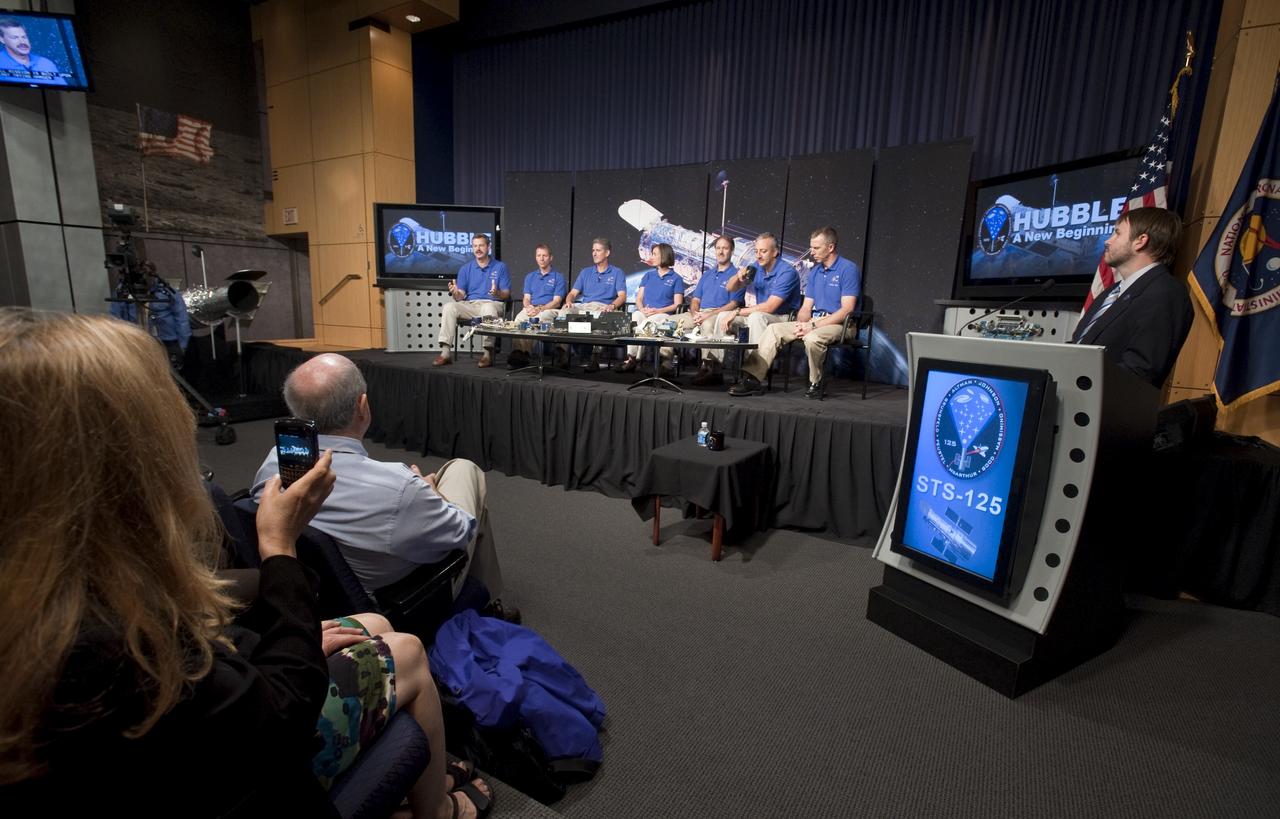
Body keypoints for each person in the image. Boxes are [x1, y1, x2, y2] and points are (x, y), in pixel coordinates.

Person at [0, 309, 492, 819]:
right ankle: (436, 809)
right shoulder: (107, 648)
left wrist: (278, 638)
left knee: (374, 624)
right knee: (406, 648)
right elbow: (281, 716)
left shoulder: (55, 592)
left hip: (218, 700)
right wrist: (279, 547)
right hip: (254, 765)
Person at [251, 353, 515, 621]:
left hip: (316, 598)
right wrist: (432, 492)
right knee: (464, 470)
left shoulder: (273, 467)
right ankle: (485, 602)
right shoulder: (399, 488)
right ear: (362, 407)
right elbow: (461, 533)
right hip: (397, 603)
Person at [729, 226, 861, 399]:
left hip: (841, 324)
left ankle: (816, 382)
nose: (811, 252)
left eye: (816, 248)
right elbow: (806, 307)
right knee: (773, 330)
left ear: (830, 247)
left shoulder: (848, 269)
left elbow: (847, 310)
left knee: (813, 337)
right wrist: (802, 324)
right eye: (811, 247)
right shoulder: (815, 272)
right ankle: (752, 379)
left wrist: (812, 326)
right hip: (814, 322)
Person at [1069, 206, 1193, 387]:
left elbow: (1141, 371)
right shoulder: (1110, 293)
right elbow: (1080, 346)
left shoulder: (1166, 293)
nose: (1108, 241)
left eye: (1117, 234)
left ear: (1140, 241)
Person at [677, 235, 746, 385]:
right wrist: (696, 314)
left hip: (719, 313)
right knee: (670, 321)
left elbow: (734, 304)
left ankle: (710, 369)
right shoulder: (707, 275)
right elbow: (695, 300)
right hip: (699, 313)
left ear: (732, 251)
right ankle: (664, 364)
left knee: (707, 324)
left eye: (725, 248)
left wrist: (707, 315)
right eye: (718, 248)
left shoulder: (736, 276)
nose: (721, 252)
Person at [435, 234, 510, 368]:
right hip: (472, 305)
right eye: (475, 246)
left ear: (489, 247)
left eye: (481, 245)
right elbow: (460, 296)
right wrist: (455, 292)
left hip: (493, 303)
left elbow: (506, 294)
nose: (478, 249)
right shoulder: (465, 268)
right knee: (449, 306)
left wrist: (497, 292)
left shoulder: (500, 267)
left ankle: (487, 353)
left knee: (488, 308)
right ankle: (445, 353)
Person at [563, 237, 626, 372]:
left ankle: (594, 359)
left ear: (607, 253)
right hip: (584, 306)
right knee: (564, 312)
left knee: (599, 318)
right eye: (593, 250)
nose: (594, 253)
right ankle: (562, 354)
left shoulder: (616, 272)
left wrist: (612, 306)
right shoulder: (585, 272)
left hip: (602, 307)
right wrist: (568, 301)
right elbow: (573, 293)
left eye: (598, 250)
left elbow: (622, 296)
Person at [620, 242, 683, 373]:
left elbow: (677, 304)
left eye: (655, 254)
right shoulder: (648, 275)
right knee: (635, 317)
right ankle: (631, 357)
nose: (651, 257)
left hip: (663, 314)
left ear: (664, 256)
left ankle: (643, 359)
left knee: (649, 323)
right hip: (646, 312)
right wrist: (642, 309)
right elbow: (638, 299)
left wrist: (658, 310)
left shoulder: (676, 278)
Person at [507, 244, 566, 369]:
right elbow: (526, 298)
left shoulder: (558, 277)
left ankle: (526, 353)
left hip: (550, 309)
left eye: (544, 255)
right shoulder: (530, 276)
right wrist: (528, 307)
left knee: (537, 320)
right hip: (532, 308)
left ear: (551, 258)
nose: (541, 258)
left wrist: (540, 309)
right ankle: (520, 354)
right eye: (539, 255)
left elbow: (557, 302)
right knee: (519, 319)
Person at [0, 19, 66, 86]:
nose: (22, 42)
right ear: (2, 39)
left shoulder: (46, 63)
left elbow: (63, 89)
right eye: (14, 37)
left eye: (24, 37)